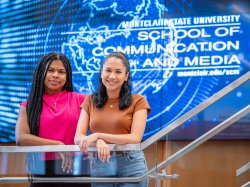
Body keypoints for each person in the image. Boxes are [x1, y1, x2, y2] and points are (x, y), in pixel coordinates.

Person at [74, 51, 151, 187]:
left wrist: (98, 136)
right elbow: (78, 137)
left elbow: (135, 138)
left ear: (126, 76)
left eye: (118, 72)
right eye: (108, 70)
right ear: (101, 73)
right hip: (100, 163)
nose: (112, 76)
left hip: (131, 164)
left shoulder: (139, 101)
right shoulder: (90, 100)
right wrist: (98, 141)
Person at [15, 52, 91, 187]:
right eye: (50, 70)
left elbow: (101, 126)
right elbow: (21, 138)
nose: (55, 75)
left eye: (61, 72)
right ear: (41, 73)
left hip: (77, 166)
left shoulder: (82, 100)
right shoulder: (28, 105)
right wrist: (57, 145)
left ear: (67, 77)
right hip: (42, 169)